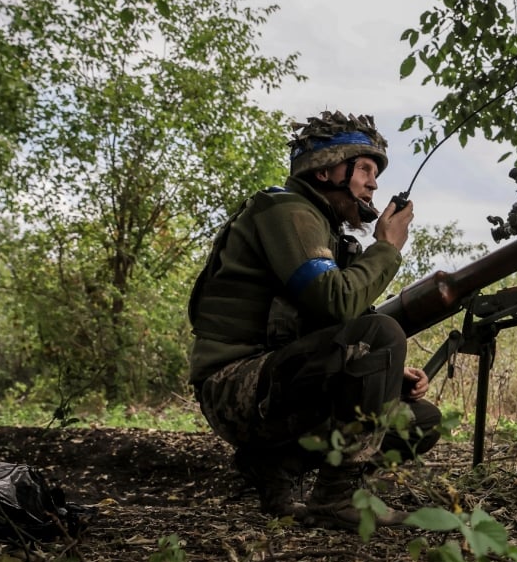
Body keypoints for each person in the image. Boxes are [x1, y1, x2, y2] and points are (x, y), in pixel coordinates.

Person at [187, 111, 440, 528]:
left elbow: (335, 332)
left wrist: (391, 377)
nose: (373, 184)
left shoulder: (325, 232)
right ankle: (336, 498)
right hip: (233, 384)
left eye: (374, 174)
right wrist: (387, 249)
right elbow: (335, 304)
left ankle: (274, 465)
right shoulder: (288, 212)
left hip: (276, 383)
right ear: (326, 171)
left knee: (420, 421)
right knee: (382, 333)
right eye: (364, 169)